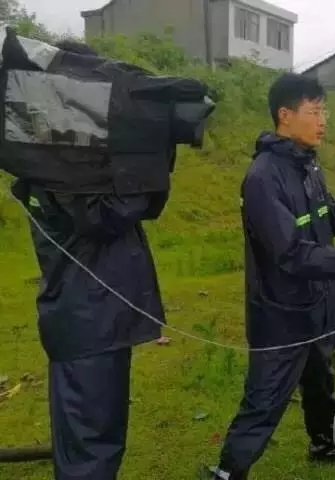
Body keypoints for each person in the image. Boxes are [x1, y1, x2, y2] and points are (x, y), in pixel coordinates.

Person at [207, 73, 335, 480]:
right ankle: (228, 471)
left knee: (321, 383)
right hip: (281, 312)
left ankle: (324, 443)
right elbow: (289, 252)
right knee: (265, 397)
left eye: (324, 111)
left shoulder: (308, 166)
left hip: (318, 303)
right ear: (285, 115)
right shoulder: (263, 177)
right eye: (314, 111)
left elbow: (326, 225)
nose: (322, 120)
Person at [11, 40, 167, 480]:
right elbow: (103, 218)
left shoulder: (65, 163)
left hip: (94, 321)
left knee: (99, 437)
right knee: (92, 447)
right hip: (88, 324)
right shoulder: (61, 171)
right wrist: (147, 173)